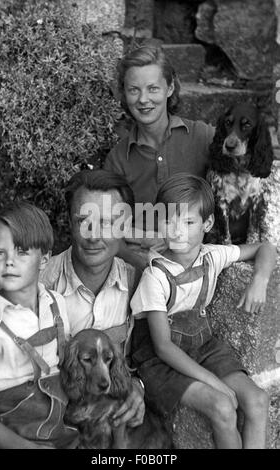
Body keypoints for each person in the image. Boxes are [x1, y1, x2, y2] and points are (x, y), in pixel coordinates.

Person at [130, 173, 276, 449]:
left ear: (207, 223)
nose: (177, 230)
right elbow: (162, 346)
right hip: (160, 360)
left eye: (188, 222)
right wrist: (215, 383)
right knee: (223, 407)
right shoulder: (156, 276)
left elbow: (265, 247)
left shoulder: (212, 255)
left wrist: (260, 280)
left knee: (257, 400)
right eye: (168, 220)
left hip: (202, 346)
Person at [40, 169, 145, 429]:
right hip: (55, 426)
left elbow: (149, 353)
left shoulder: (139, 282)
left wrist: (138, 385)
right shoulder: (40, 284)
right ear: (69, 222)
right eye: (84, 221)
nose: (94, 236)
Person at [104, 44, 215, 269]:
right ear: (124, 94)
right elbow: (109, 229)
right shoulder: (118, 158)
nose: (143, 99)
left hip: (193, 260)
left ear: (170, 88)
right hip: (142, 264)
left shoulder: (202, 136)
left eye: (153, 88)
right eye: (134, 89)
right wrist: (148, 264)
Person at [0, 202, 79, 449]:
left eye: (21, 251)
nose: (9, 262)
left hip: (58, 429)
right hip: (9, 437)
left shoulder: (56, 305)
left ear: (44, 260)